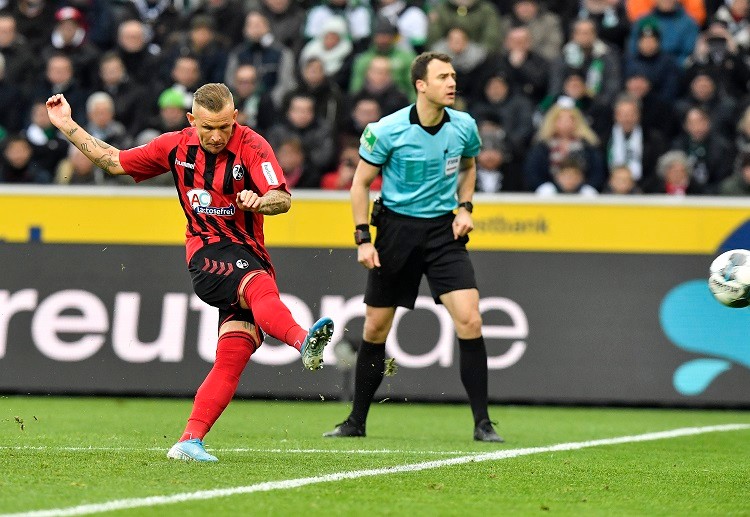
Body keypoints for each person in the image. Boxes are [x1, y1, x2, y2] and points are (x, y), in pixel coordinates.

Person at [45, 83, 334, 462]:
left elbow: (283, 198)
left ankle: (189, 441)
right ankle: (302, 342)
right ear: (191, 120)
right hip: (207, 254)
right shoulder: (174, 146)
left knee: (233, 355)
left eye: (224, 127)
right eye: (207, 127)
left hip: (249, 251)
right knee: (258, 286)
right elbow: (113, 161)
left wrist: (261, 200)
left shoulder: (253, 145)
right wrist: (66, 124)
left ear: (235, 118)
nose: (216, 136)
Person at [323, 52, 503, 443]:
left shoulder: (464, 126)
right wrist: (363, 239)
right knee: (375, 328)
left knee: (471, 320)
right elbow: (359, 185)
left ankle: (483, 424)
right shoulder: (386, 130)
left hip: (442, 233)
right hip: (394, 231)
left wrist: (465, 208)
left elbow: (469, 167)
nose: (452, 83)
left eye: (453, 76)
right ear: (421, 85)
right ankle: (355, 421)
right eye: (442, 77)